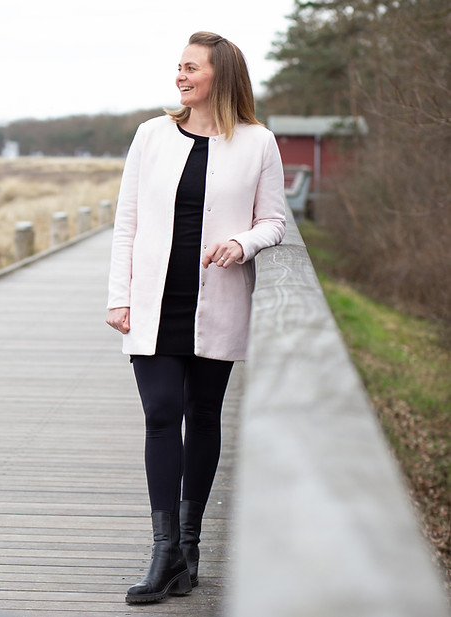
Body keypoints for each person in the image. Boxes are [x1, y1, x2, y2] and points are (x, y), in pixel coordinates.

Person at [105, 31, 286, 604]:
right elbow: (127, 222)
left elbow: (274, 221)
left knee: (203, 416)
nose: (179, 76)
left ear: (220, 76)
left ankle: (189, 549)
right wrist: (119, 296)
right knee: (162, 412)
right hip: (155, 302)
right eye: (178, 67)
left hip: (218, 298)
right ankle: (164, 554)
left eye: (190, 68)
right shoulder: (150, 136)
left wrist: (242, 242)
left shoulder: (257, 142)